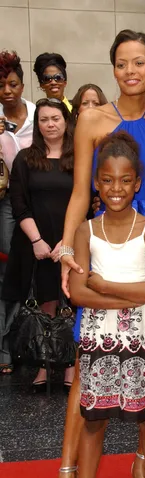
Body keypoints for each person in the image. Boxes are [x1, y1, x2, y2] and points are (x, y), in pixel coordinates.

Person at [41, 30, 145, 478]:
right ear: (112, 68)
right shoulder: (92, 120)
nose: (130, 71)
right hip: (104, 248)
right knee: (89, 376)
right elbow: (81, 193)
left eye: (140, 62)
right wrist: (66, 253)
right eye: (122, 63)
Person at [3, 98, 75, 390]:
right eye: (44, 120)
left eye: (55, 118)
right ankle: (43, 366)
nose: (50, 125)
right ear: (38, 124)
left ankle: (71, 367)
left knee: (72, 305)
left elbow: (84, 201)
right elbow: (18, 204)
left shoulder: (78, 156)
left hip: (70, 239)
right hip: (38, 243)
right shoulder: (25, 158)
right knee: (45, 303)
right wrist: (37, 240)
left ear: (66, 122)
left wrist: (67, 242)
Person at [0, 50, 35, 375]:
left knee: (32, 271)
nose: (7, 90)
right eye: (1, 85)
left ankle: (34, 339)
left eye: (12, 84)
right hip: (7, 201)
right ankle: (7, 345)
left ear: (22, 85)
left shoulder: (39, 114)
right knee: (10, 269)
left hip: (36, 198)